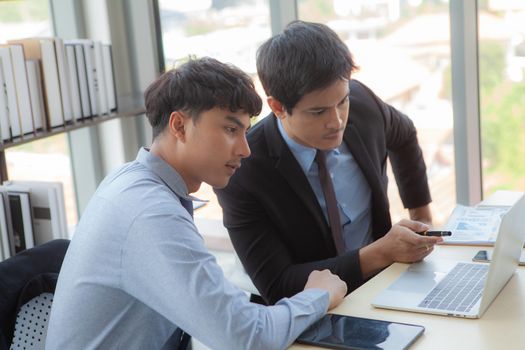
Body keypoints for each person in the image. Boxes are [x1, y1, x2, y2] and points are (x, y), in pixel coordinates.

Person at [46, 57, 347, 350]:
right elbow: (247, 338)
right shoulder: (150, 212)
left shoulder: (134, 182)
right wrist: (318, 295)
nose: (245, 149)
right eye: (231, 130)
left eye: (245, 131)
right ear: (179, 126)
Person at [214, 20, 443, 305]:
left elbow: (404, 133)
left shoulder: (361, 104)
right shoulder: (244, 170)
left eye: (341, 103)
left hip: (385, 288)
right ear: (278, 107)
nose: (336, 122)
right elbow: (278, 284)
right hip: (307, 312)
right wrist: (382, 252)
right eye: (318, 111)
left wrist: (421, 215)